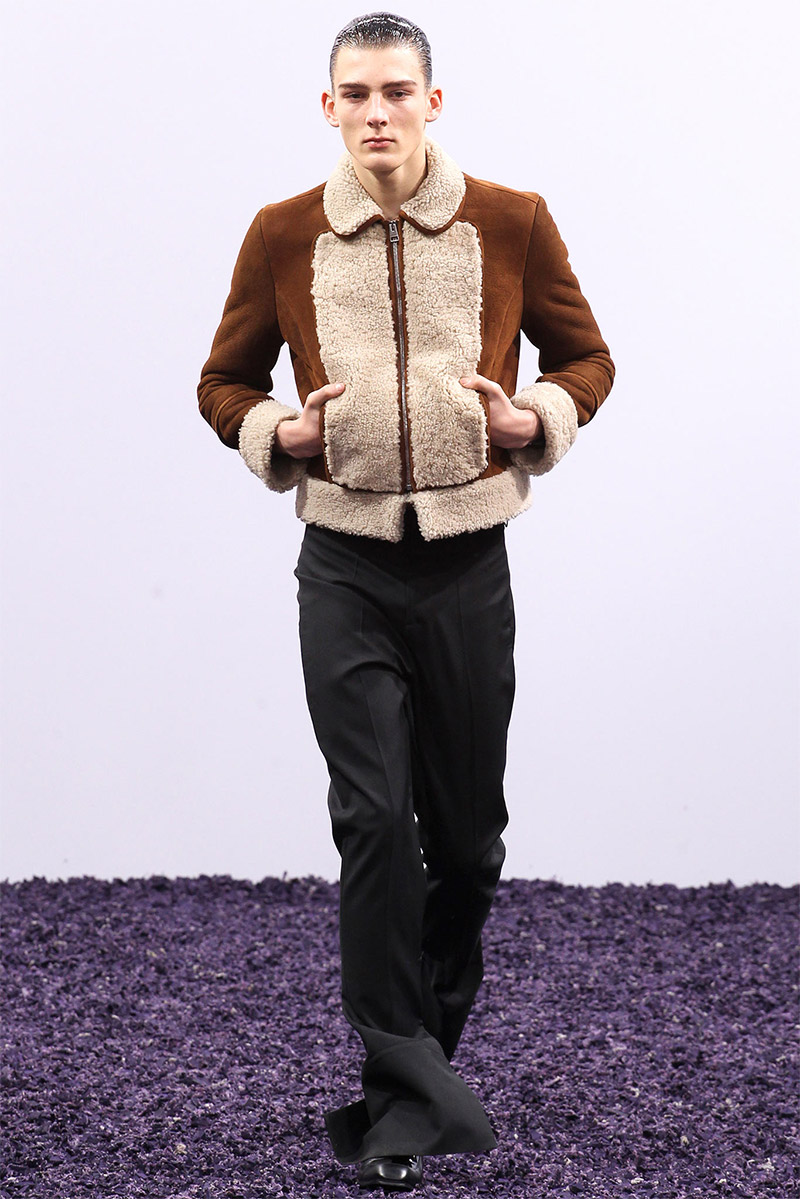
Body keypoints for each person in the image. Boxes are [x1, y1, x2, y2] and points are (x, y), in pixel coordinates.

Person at [197, 11, 614, 1191]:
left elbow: (586, 358)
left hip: (467, 563)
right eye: (355, 93)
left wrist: (534, 418)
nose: (375, 111)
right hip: (344, 563)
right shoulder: (282, 232)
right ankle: (401, 1087)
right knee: (374, 820)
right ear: (326, 107)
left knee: (466, 843)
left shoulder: (510, 219)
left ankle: (415, 1070)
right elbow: (221, 379)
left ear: (433, 102)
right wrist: (275, 431)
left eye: (395, 91)